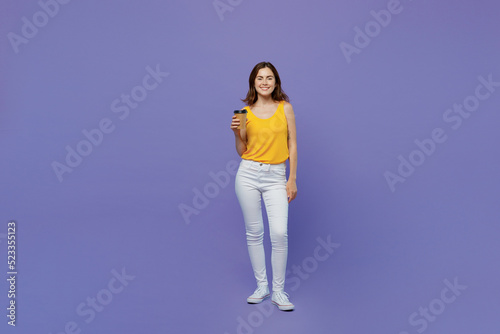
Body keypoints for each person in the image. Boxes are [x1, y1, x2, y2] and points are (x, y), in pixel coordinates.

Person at [230, 61, 297, 311]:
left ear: (276, 82)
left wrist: (291, 179)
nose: (265, 82)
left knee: (279, 233)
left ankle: (279, 291)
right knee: (254, 232)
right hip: (247, 174)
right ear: (253, 83)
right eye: (260, 78)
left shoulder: (285, 108)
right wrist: (237, 133)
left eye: (269, 78)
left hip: (276, 175)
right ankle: (262, 287)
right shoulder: (244, 112)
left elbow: (293, 146)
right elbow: (242, 151)